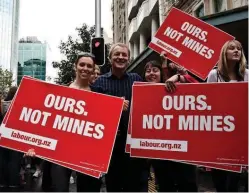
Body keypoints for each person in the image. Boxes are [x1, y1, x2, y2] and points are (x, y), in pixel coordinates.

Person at [26, 52, 103, 192]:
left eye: (89, 66)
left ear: (93, 70)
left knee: (88, 188)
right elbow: (45, 123)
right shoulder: (59, 92)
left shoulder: (100, 94)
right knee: (58, 188)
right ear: (75, 67)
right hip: (60, 153)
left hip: (86, 153)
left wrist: (117, 108)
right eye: (82, 64)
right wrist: (33, 146)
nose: (85, 68)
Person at [93, 43, 148, 192]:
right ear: (110, 58)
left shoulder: (136, 79)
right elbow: (94, 111)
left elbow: (148, 103)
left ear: (129, 59)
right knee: (114, 186)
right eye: (117, 54)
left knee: (135, 186)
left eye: (124, 55)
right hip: (111, 148)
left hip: (134, 147)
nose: (121, 57)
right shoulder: (99, 82)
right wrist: (114, 107)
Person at [143, 59, 198, 192]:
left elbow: (197, 86)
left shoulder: (173, 87)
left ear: (161, 73)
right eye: (148, 71)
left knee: (188, 186)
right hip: (160, 154)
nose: (151, 73)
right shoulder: (141, 93)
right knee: (165, 187)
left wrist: (180, 76)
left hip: (182, 152)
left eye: (155, 70)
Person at [207, 40, 248, 192]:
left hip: (240, 136)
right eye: (232, 48)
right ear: (224, 53)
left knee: (235, 182)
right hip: (219, 137)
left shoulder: (247, 75)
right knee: (220, 183)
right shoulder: (214, 75)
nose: (237, 51)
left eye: (239, 48)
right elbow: (207, 104)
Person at [0, 86, 23, 192]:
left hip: (2, 133)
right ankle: (13, 182)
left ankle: (3, 182)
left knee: (3, 159)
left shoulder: (2, 103)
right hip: (14, 134)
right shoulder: (19, 103)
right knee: (14, 160)